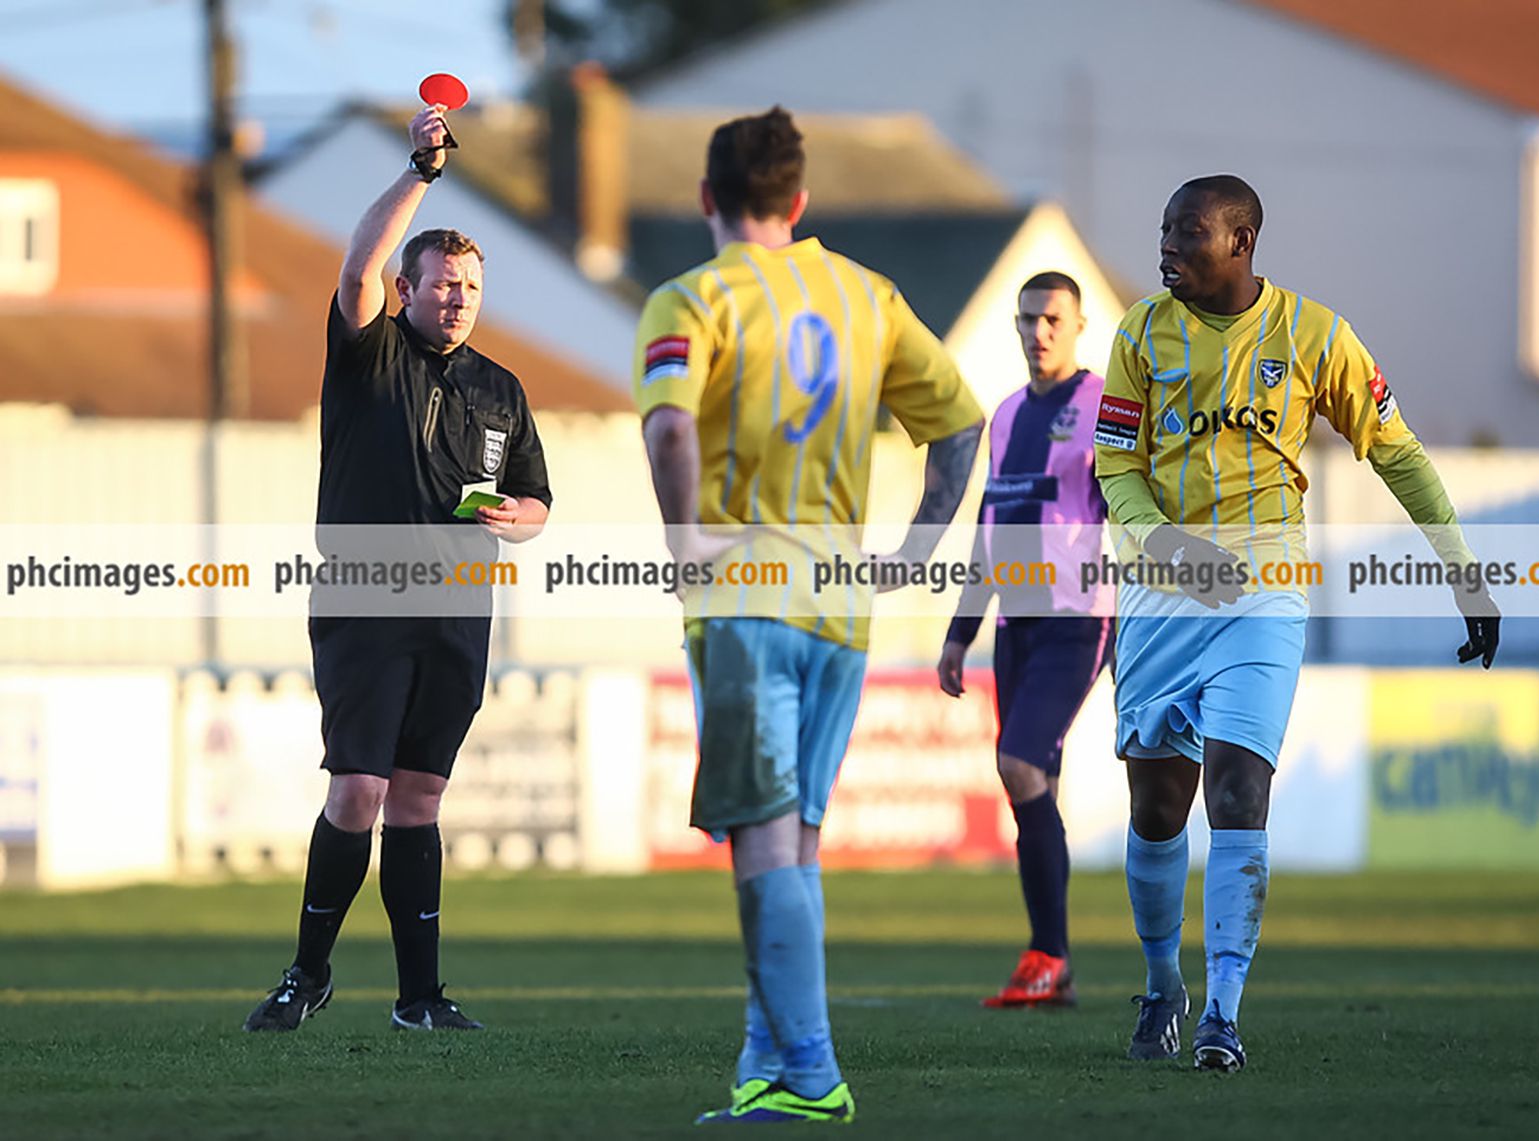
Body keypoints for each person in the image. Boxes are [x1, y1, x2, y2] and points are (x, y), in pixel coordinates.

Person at [1093, 175, 1499, 1072]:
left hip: (1264, 588)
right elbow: (1113, 467)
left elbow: (1397, 453)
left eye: (1186, 232)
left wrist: (1464, 574)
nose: (1165, 246)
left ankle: (1223, 1017)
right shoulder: (1138, 332)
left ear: (1240, 242)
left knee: (1238, 789)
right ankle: (1164, 988)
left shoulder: (1316, 335)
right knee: (1158, 809)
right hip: (1164, 592)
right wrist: (1165, 545)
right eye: (1163, 229)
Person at [634, 106, 983, 1124]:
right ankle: (764, 1061)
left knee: (761, 843)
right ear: (799, 202)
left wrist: (686, 539)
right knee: (797, 840)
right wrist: (914, 552)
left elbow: (666, 430)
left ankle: (814, 1077)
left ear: (707, 197)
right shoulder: (865, 294)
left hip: (747, 603)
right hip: (842, 606)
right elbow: (958, 428)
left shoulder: (690, 298)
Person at [244, 104, 552, 1033]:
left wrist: (517, 518)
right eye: (442, 282)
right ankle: (307, 973)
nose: (456, 298)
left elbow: (537, 502)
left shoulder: (502, 387)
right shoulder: (371, 353)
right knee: (359, 790)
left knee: (418, 798)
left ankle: (419, 998)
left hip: (459, 610)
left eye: (469, 285)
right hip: (365, 599)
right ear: (408, 289)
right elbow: (356, 266)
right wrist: (421, 170)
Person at [937, 271, 1114, 1009]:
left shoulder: (1106, 404)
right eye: (1027, 319)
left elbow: (1136, 503)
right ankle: (1053, 964)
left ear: (1076, 326)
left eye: (1051, 319)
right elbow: (993, 526)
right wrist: (960, 631)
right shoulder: (1006, 415)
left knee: (1018, 763)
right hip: (1016, 622)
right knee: (1028, 783)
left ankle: (1050, 953)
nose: (1038, 331)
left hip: (1078, 618)